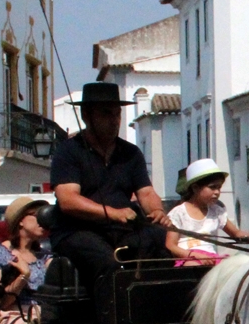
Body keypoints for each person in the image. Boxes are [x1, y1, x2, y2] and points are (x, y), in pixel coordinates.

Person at [49, 82, 172, 288]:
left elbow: (147, 192)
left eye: (117, 114)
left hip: (122, 231)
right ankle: (113, 319)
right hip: (77, 232)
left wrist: (157, 211)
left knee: (160, 249)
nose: (114, 121)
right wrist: (114, 213)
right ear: (86, 116)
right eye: (106, 114)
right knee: (108, 264)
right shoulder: (68, 151)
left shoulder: (131, 153)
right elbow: (68, 200)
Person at [166, 159, 249, 265]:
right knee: (194, 266)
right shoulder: (178, 213)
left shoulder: (217, 211)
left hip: (211, 258)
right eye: (212, 187)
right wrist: (193, 255)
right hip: (188, 259)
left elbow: (236, 233)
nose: (217, 192)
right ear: (195, 188)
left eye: (219, 188)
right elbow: (170, 245)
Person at [0, 197, 52, 324]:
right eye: (36, 216)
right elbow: (3, 302)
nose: (42, 220)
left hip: (46, 314)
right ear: (20, 221)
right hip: (15, 317)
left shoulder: (45, 256)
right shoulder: (0, 253)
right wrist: (24, 275)